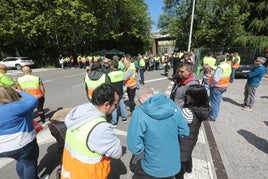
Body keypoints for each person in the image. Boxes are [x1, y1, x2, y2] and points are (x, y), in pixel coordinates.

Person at [61, 84, 123, 179]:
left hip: (69, 172)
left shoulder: (78, 112)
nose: (116, 108)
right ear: (106, 104)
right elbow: (117, 153)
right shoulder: (101, 129)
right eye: (115, 104)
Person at [127, 86, 190, 179]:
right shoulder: (173, 107)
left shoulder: (139, 112)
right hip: (173, 165)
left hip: (151, 167)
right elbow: (185, 132)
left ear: (140, 100)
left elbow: (134, 146)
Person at [0, 86, 40, 179]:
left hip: (3, 147)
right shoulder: (15, 106)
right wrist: (19, 91)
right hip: (21, 144)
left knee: (21, 160)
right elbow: (33, 100)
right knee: (29, 164)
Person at [175, 85, 210, 179]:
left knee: (180, 160)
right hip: (192, 137)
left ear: (194, 97)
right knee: (187, 155)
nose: (187, 96)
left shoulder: (187, 111)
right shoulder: (203, 108)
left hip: (183, 140)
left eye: (189, 95)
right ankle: (189, 170)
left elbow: (177, 125)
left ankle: (180, 176)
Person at [209, 55, 231, 121]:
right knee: (217, 101)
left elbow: (216, 79)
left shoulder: (220, 67)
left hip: (217, 86)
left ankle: (212, 116)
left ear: (218, 60)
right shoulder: (227, 66)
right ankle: (214, 114)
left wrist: (211, 85)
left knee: (214, 102)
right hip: (223, 86)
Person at [107, 60, 128, 127]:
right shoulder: (121, 72)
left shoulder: (109, 74)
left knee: (114, 107)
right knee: (121, 105)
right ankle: (124, 118)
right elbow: (123, 80)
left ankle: (114, 122)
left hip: (113, 93)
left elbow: (108, 84)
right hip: (120, 91)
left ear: (112, 66)